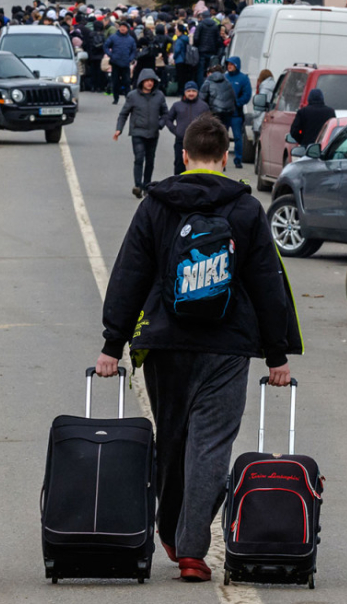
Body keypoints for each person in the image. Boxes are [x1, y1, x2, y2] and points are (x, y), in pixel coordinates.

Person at [95, 113, 297, 582]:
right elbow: (267, 285)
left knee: (172, 440)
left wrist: (112, 343)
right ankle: (191, 549)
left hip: (166, 344)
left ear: (183, 156)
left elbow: (130, 274)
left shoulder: (156, 205)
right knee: (211, 446)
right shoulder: (245, 210)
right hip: (227, 349)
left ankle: (167, 528)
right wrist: (277, 354)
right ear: (226, 157)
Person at [113, 68, 167, 198]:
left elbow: (166, 113)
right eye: (146, 81)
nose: (149, 83)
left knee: (150, 160)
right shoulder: (133, 96)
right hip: (137, 132)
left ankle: (146, 185)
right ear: (141, 82)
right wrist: (119, 129)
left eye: (151, 81)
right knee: (139, 158)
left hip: (153, 133)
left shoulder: (159, 96)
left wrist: (160, 124)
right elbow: (124, 114)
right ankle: (138, 185)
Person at [163, 82, 210, 175]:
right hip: (181, 141)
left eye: (193, 91)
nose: (191, 93)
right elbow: (168, 119)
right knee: (179, 164)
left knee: (197, 166)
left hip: (198, 142)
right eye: (188, 91)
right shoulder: (177, 105)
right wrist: (175, 130)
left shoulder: (203, 106)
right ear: (185, 92)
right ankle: (178, 186)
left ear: (197, 92)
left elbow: (209, 122)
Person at [223, 57, 251, 169]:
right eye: (228, 64)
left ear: (237, 65)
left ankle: (238, 160)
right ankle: (222, 160)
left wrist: (238, 103)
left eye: (232, 64)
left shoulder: (243, 78)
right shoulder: (224, 77)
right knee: (223, 138)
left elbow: (247, 94)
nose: (229, 66)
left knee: (238, 137)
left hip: (236, 114)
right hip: (224, 113)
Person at [104, 20, 137, 105]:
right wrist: (111, 55)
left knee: (127, 82)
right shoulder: (113, 37)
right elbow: (106, 46)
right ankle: (116, 98)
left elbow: (134, 51)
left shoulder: (131, 39)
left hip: (126, 63)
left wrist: (130, 59)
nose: (122, 28)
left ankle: (128, 98)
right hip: (115, 63)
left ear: (127, 29)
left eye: (124, 27)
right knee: (115, 82)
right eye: (121, 27)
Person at [198, 65, 236, 131]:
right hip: (226, 113)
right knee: (223, 133)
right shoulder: (227, 82)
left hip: (212, 114)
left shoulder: (207, 82)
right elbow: (233, 98)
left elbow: (201, 99)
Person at [192, 11, 221, 82]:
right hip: (212, 51)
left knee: (200, 71)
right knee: (211, 70)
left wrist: (197, 46)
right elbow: (218, 39)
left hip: (201, 51)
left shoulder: (200, 25)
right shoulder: (215, 26)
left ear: (202, 17)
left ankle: (201, 86)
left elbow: (196, 38)